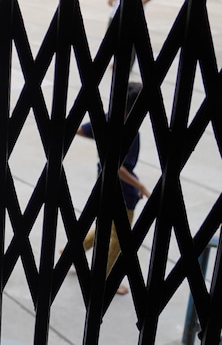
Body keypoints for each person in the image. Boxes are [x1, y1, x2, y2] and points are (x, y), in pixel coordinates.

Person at [75, 81, 151, 295]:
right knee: (120, 238)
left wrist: (102, 144)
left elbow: (80, 129)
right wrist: (140, 186)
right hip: (123, 191)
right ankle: (104, 280)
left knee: (105, 226)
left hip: (103, 183)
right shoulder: (131, 133)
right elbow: (118, 168)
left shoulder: (107, 119)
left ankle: (74, 251)